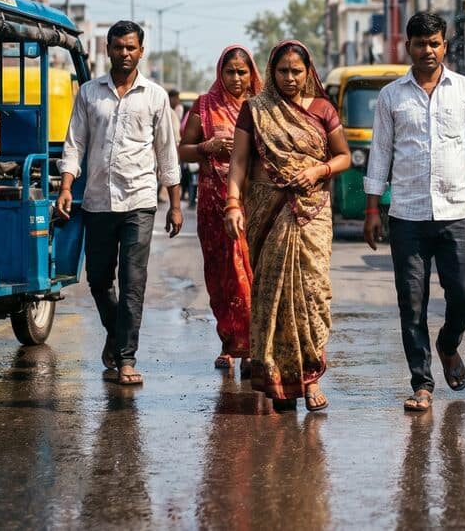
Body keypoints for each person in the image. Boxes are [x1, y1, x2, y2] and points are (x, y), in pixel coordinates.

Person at [363, 12, 465, 413]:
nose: (428, 51)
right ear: (408, 46)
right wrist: (373, 207)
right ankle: (421, 383)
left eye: (435, 43)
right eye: (421, 44)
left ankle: (448, 345)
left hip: (456, 210)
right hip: (406, 214)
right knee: (411, 301)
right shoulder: (391, 96)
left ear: (445, 45)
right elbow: (381, 155)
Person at [224, 40, 350, 412]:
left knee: (312, 295)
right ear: (272, 73)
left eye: (297, 71)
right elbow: (239, 163)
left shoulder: (323, 109)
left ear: (308, 71)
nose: (291, 78)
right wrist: (233, 203)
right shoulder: (255, 109)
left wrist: (318, 170)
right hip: (268, 209)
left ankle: (311, 379)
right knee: (271, 296)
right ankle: (279, 380)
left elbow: (343, 157)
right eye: (283, 71)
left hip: (312, 212)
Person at [57, 20, 183, 387]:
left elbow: (166, 154)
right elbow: (74, 144)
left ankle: (126, 357)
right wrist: (66, 187)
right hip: (97, 199)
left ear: (141, 51)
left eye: (131, 48)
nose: (124, 54)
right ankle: (116, 334)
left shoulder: (155, 96)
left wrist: (175, 205)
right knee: (98, 279)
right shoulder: (88, 93)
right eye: (118, 47)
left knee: (133, 282)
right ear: (108, 49)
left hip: (140, 201)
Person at [179, 45, 262, 375]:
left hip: (252, 201)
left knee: (248, 273)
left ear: (251, 73)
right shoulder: (204, 105)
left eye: (243, 72)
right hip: (213, 203)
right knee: (221, 275)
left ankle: (253, 344)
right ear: (220, 73)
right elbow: (183, 150)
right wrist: (207, 147)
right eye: (231, 72)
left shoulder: (260, 107)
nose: (237, 78)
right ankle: (230, 343)